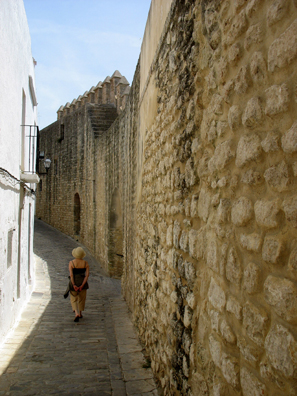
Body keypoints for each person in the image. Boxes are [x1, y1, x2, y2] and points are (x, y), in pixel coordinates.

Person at [69, 247, 89, 322]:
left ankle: (76, 313)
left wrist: (73, 284)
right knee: (82, 298)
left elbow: (71, 275)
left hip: (74, 281)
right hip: (82, 281)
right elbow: (87, 275)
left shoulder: (71, 263)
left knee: (73, 298)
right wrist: (82, 285)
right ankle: (80, 313)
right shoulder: (85, 263)